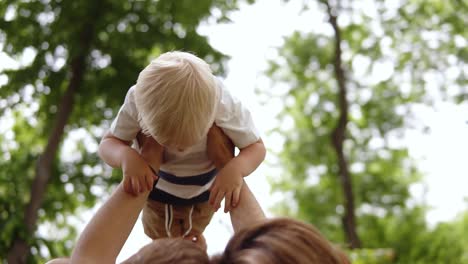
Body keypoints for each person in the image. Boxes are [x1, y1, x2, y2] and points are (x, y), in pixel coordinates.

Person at [98, 51, 266, 245]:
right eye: (169, 141)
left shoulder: (221, 101)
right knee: (161, 243)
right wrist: (126, 156)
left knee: (190, 240)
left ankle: (192, 253)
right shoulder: (137, 100)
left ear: (211, 115)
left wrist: (236, 169)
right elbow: (108, 144)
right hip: (156, 192)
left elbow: (256, 147)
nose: (179, 149)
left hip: (206, 193)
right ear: (143, 117)